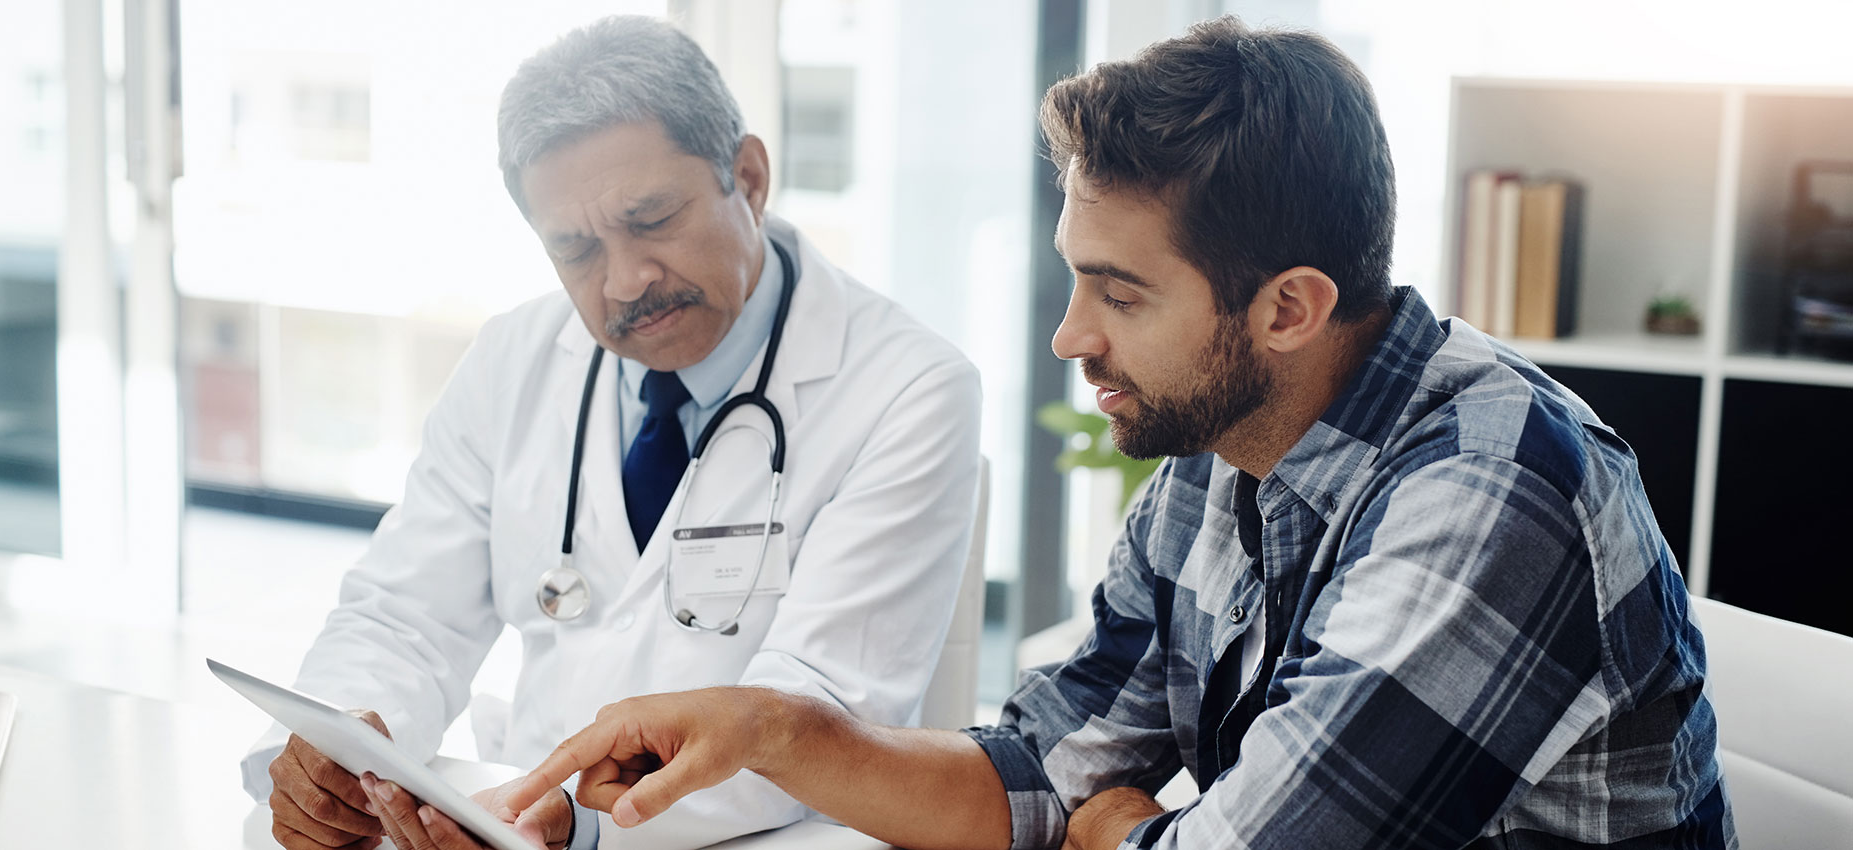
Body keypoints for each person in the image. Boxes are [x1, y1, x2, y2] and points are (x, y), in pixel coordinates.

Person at [479, 16, 1737, 850]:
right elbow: (1044, 767)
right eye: (1075, 278)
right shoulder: (1222, 449)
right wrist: (767, 727)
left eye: (1120, 294)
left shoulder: (1493, 491)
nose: (1069, 336)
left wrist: (1116, 834)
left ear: (1286, 307)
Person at [243, 15, 983, 850]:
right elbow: (405, 617)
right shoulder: (512, 359)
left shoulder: (909, 389)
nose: (625, 280)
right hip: (516, 826)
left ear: (747, 176)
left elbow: (816, 716)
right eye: (576, 249)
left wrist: (585, 819)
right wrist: (341, 752)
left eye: (652, 219)